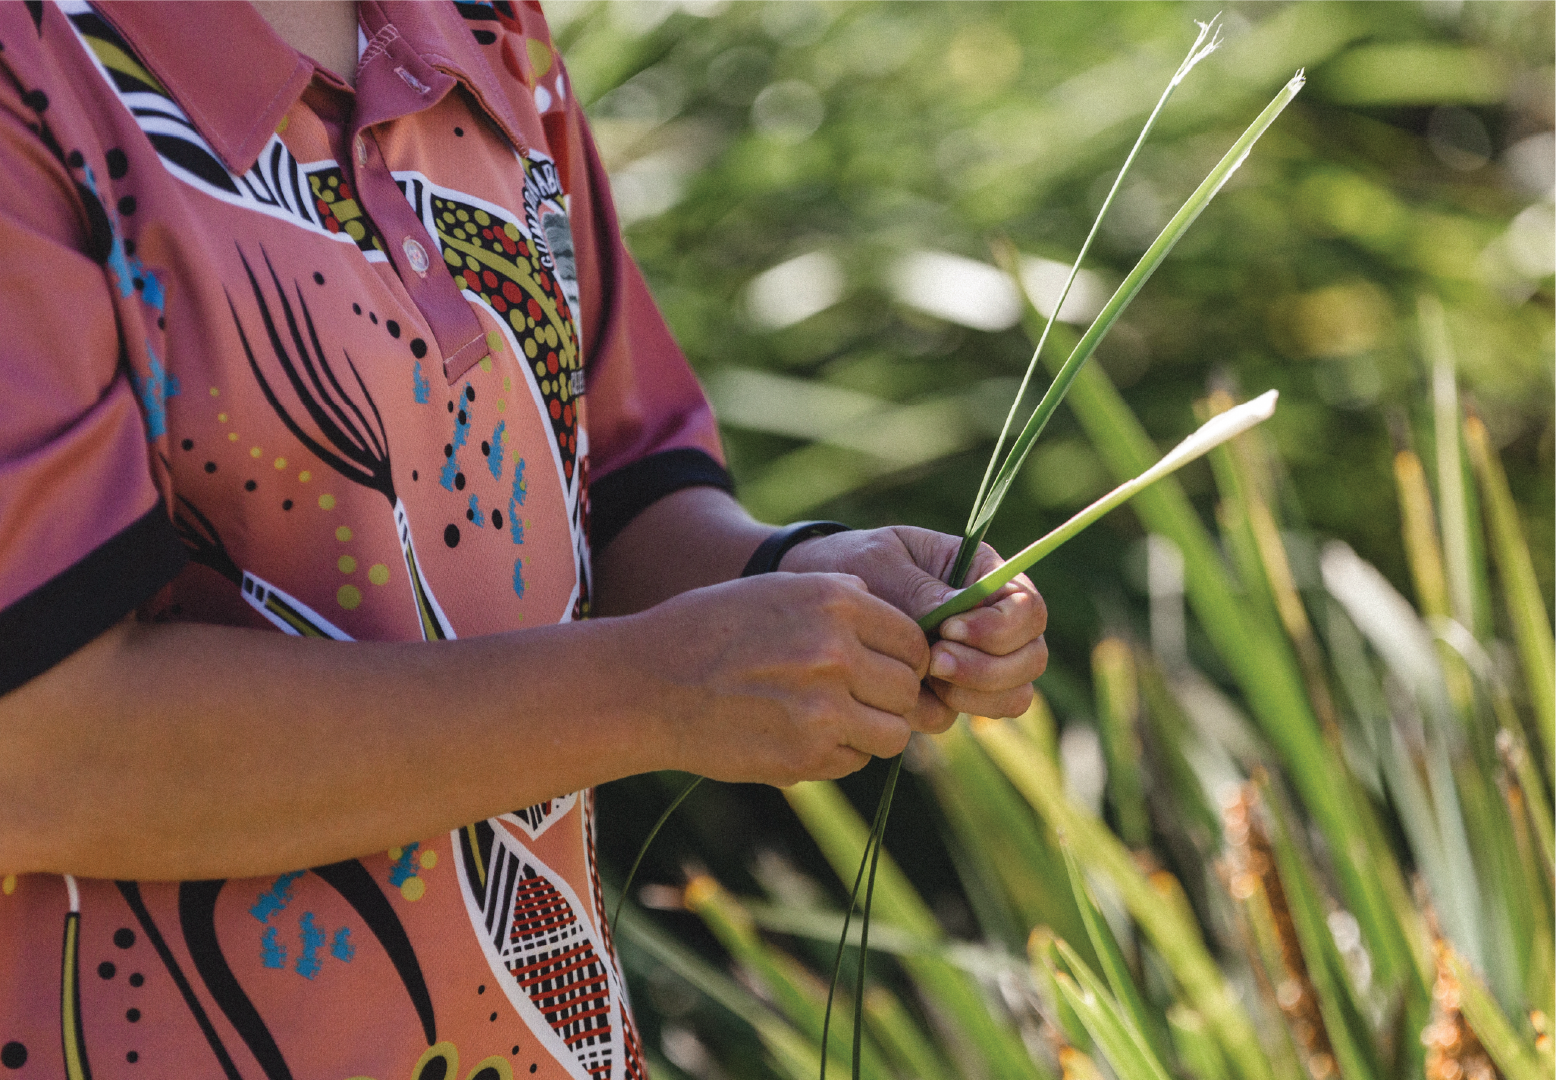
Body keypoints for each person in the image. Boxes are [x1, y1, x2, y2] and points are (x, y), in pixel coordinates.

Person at [0, 0, 1048, 1072]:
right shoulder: (26, 68)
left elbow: (612, 481)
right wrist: (650, 692)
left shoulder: (483, 25)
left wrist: (804, 579)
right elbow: (36, 751)